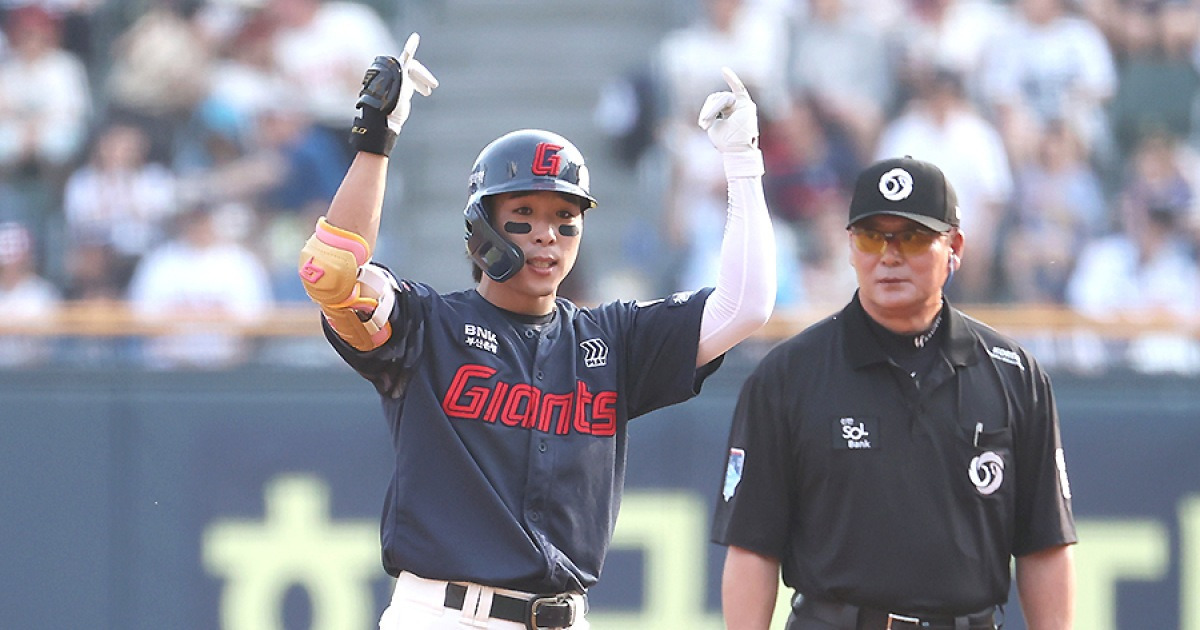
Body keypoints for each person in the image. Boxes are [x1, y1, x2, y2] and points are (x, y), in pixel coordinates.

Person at [297, 34, 776, 629]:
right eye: (523, 216)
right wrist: (376, 143)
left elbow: (746, 306)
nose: (547, 234)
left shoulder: (613, 340)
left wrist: (743, 163)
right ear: (481, 227)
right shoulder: (430, 325)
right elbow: (332, 273)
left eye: (564, 218)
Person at [712, 156, 1077, 630]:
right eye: (871, 237)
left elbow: (1045, 543)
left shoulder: (1014, 376)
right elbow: (752, 548)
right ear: (850, 246)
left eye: (914, 236)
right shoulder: (787, 375)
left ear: (955, 246)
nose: (889, 255)